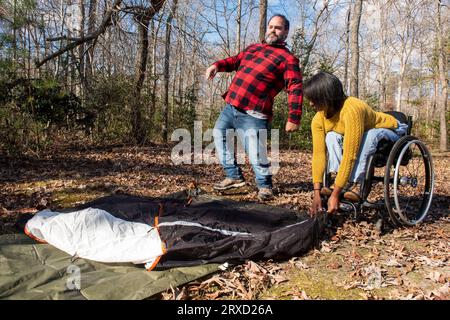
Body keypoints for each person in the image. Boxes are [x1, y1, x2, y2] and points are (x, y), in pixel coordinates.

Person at [205, 14, 303, 200]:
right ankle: (233, 176)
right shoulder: (254, 48)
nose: (273, 30)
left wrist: (294, 117)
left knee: (256, 152)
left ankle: (265, 186)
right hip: (231, 106)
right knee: (219, 135)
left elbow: (295, 87)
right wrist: (216, 65)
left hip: (254, 114)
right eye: (271, 26)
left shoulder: (288, 59)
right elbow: (234, 61)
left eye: (278, 28)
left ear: (286, 32)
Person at [305, 71, 408, 215]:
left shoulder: (352, 109)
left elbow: (350, 155)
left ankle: (353, 184)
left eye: (314, 99)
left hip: (391, 129)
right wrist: (316, 193)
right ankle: (338, 179)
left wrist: (334, 195)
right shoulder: (318, 119)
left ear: (327, 97)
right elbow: (318, 155)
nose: (310, 104)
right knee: (332, 136)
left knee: (369, 135)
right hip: (363, 134)